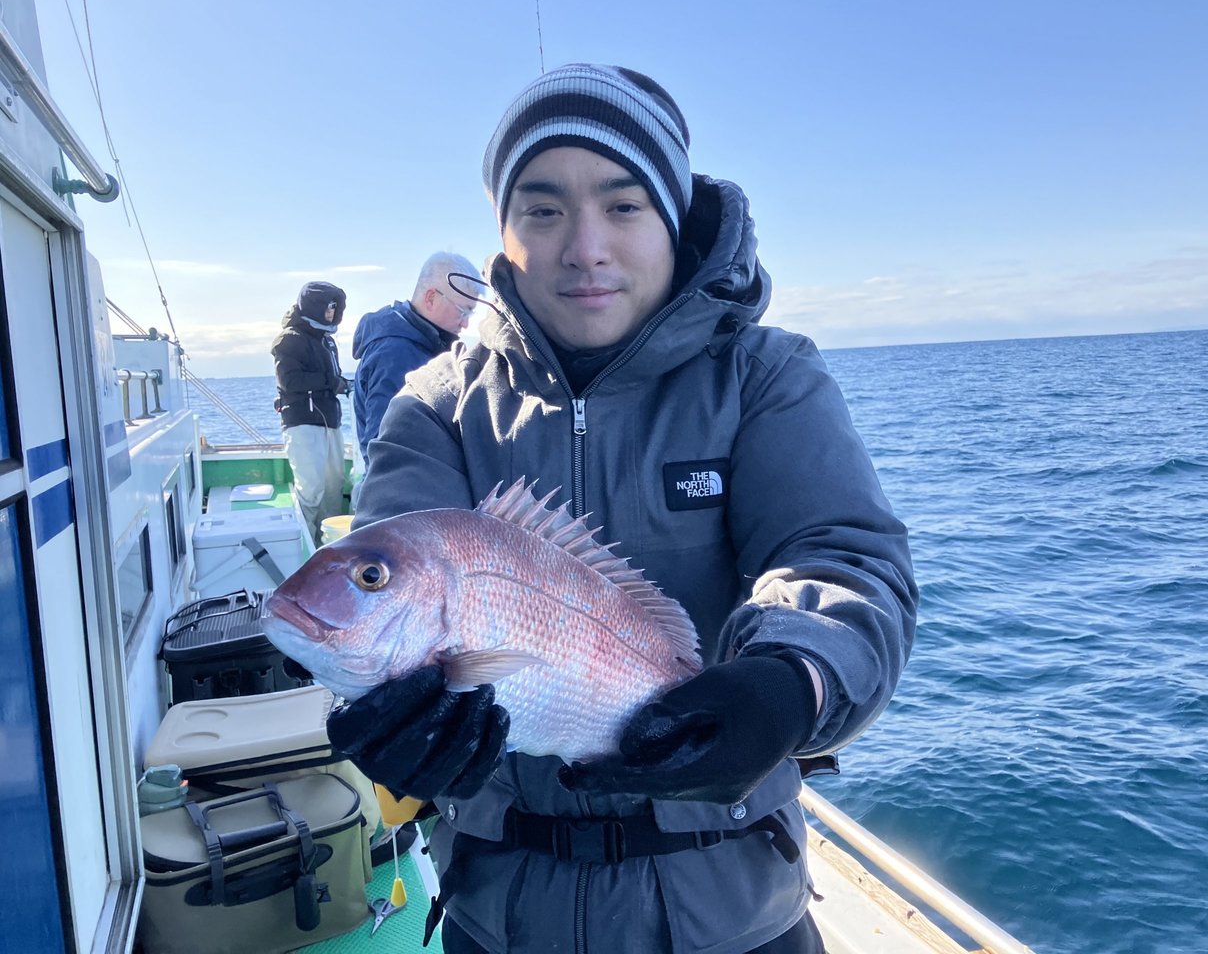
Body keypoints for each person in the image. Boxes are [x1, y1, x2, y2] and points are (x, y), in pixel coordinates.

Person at [330, 64, 918, 954]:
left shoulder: (765, 376)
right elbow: (389, 582)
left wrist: (790, 681)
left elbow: (842, 556)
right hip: (501, 914)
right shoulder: (435, 405)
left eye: (624, 204)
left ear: (673, 219)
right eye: (543, 209)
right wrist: (388, 715)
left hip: (734, 912)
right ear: (502, 235)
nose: (585, 246)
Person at [351, 252, 482, 465]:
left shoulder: (424, 345)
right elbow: (385, 447)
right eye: (463, 311)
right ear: (431, 298)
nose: (465, 324)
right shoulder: (395, 354)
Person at [271, 280, 349, 544]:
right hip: (302, 424)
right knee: (311, 490)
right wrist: (331, 382)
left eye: (334, 307)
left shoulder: (327, 341)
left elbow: (332, 378)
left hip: (330, 422)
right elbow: (289, 381)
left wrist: (344, 384)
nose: (331, 312)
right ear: (313, 307)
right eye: (327, 307)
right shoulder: (289, 340)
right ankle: (304, 549)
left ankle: (331, 548)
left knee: (333, 487)